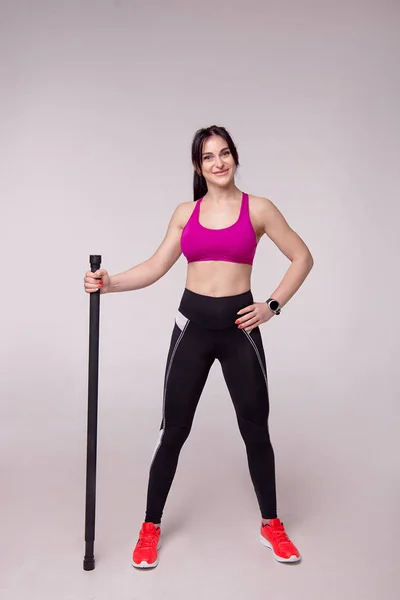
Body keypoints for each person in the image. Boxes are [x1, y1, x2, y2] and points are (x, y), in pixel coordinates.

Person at [84, 125, 314, 569]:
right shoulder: (185, 214)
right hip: (192, 327)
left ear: (234, 157)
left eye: (225, 153)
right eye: (209, 157)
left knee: (255, 428)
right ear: (198, 166)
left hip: (239, 329)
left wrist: (271, 305)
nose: (219, 162)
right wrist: (109, 284)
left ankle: (272, 525)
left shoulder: (260, 209)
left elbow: (302, 256)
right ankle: (150, 527)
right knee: (173, 429)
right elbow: (155, 266)